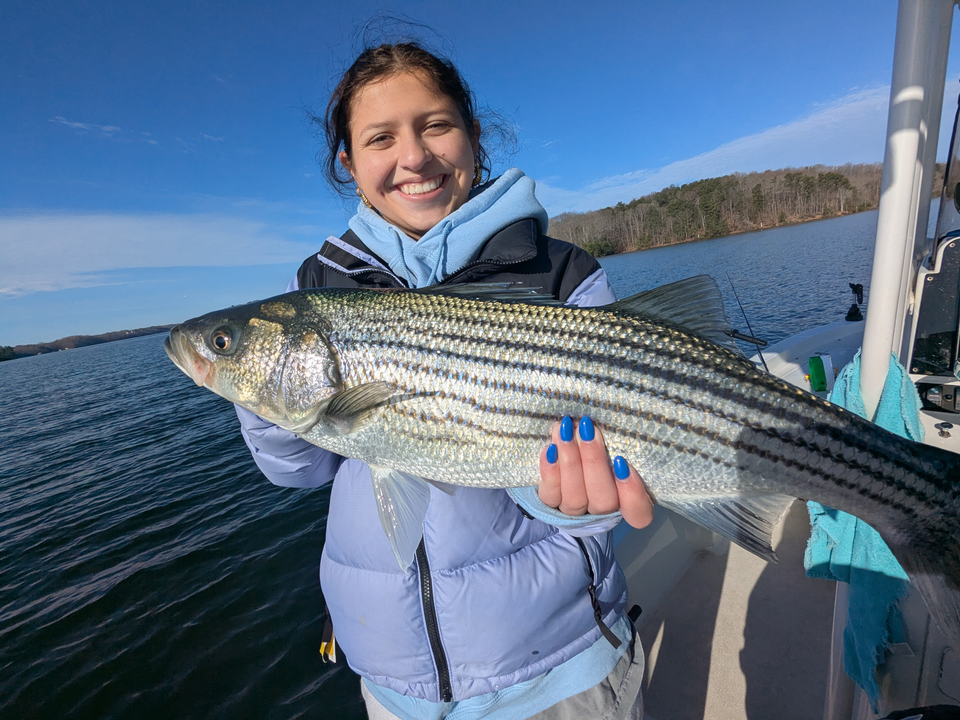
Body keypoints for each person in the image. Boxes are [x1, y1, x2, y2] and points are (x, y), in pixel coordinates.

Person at [235, 41, 655, 720]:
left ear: (473, 135)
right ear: (348, 161)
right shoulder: (315, 288)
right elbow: (300, 469)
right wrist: (256, 389)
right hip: (393, 687)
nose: (414, 156)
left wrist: (581, 499)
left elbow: (611, 467)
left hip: (560, 668)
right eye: (380, 138)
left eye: (435, 125)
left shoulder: (558, 273)